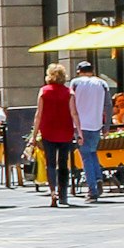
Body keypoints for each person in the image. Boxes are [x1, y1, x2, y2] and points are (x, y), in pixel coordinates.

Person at [37, 62, 78, 207]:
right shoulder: (69, 92)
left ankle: (53, 191)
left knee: (50, 163)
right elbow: (74, 113)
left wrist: (34, 134)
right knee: (63, 163)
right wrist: (79, 132)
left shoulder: (44, 91)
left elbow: (39, 114)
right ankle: (63, 194)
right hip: (65, 131)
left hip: (48, 130)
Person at [69, 61, 110, 202]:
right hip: (96, 124)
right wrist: (107, 126)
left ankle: (92, 190)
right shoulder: (102, 83)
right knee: (92, 153)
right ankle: (98, 179)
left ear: (79, 71)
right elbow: (108, 105)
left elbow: (71, 103)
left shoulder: (75, 83)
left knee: (86, 157)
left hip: (81, 125)